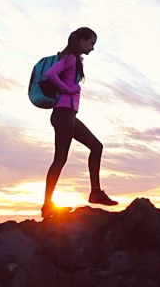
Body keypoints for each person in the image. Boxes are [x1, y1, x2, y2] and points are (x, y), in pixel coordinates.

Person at [41, 27, 118, 218]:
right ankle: (48, 205)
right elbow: (50, 74)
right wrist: (67, 88)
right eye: (91, 43)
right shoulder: (70, 58)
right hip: (63, 114)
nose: (92, 48)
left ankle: (95, 192)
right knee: (60, 158)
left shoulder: (74, 60)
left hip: (67, 115)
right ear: (81, 40)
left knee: (95, 147)